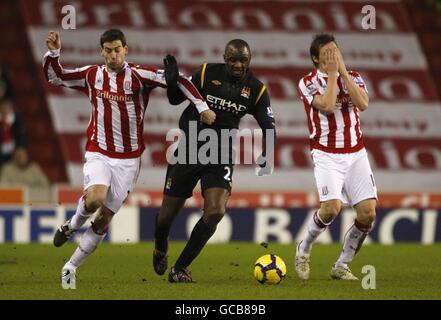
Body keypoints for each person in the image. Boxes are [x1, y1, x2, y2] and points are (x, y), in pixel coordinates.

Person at [43, 29, 215, 288]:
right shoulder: (92, 75)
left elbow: (179, 79)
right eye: (108, 50)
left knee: (103, 219)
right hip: (99, 152)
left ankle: (71, 266)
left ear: (125, 49)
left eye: (117, 49)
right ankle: (72, 224)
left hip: (128, 161)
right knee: (95, 199)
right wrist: (54, 53)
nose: (113, 55)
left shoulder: (139, 75)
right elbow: (56, 77)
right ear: (102, 51)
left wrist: (202, 106)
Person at [153, 39, 277, 283]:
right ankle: (160, 246)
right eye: (233, 59)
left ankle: (179, 269)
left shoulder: (256, 89)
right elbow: (176, 99)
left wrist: (268, 152)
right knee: (166, 217)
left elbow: (268, 124)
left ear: (249, 60)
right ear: (224, 58)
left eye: (243, 60)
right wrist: (171, 82)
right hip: (189, 146)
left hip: (220, 152)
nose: (238, 64)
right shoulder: (207, 72)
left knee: (215, 211)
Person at [296, 34, 377, 280]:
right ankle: (304, 248)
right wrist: (333, 75)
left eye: (336, 51)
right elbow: (328, 105)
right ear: (315, 59)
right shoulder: (307, 82)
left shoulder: (353, 76)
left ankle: (342, 264)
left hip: (356, 153)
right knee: (331, 209)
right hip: (326, 153)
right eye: (327, 53)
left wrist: (342, 73)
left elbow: (363, 104)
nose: (334, 56)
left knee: (368, 214)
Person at [0, 98, 26, 166]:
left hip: (14, 150)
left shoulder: (16, 121)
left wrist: (19, 147)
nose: (5, 110)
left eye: (8, 107)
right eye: (3, 107)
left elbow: (21, 135)